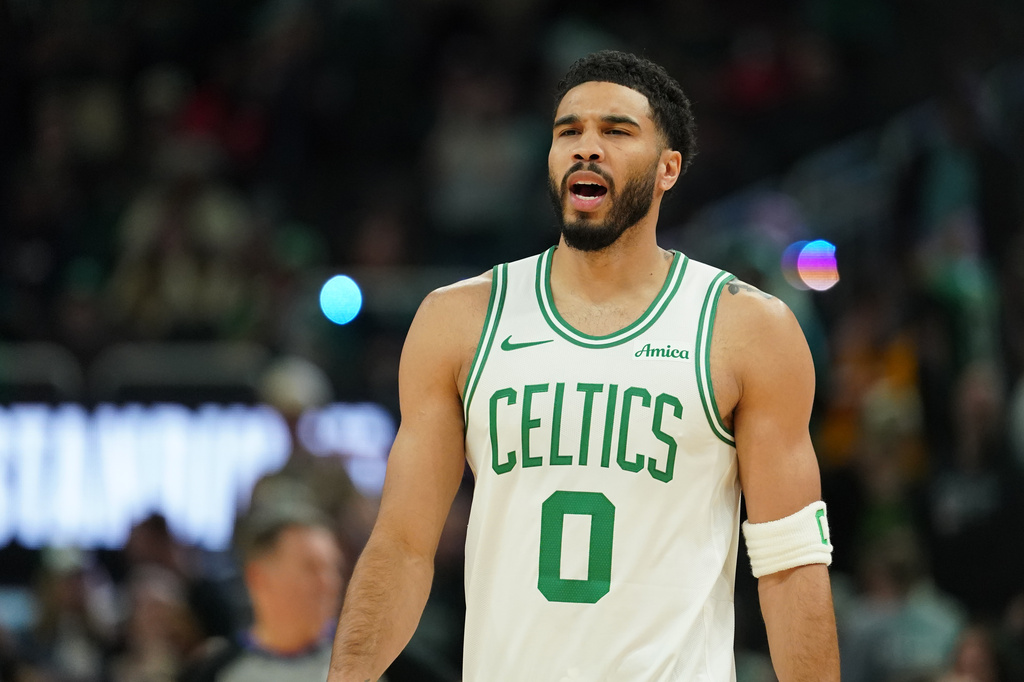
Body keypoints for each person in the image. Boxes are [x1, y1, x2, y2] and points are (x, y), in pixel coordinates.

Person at [327, 50, 839, 681]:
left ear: (668, 168)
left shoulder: (745, 330)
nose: (585, 147)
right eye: (568, 131)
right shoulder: (459, 319)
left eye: (616, 131)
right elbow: (401, 548)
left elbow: (791, 566)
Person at [181, 505, 347, 682]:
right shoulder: (213, 672)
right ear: (258, 577)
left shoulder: (367, 661)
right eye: (311, 568)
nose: (329, 583)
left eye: (333, 568)